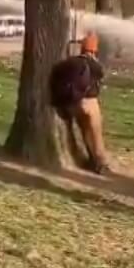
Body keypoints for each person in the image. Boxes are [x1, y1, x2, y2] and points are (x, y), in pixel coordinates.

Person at [49, 32, 109, 174]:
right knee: (95, 133)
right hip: (89, 103)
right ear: (94, 51)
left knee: (83, 130)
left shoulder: (69, 63)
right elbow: (100, 76)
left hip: (71, 104)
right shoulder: (95, 65)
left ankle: (84, 158)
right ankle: (100, 162)